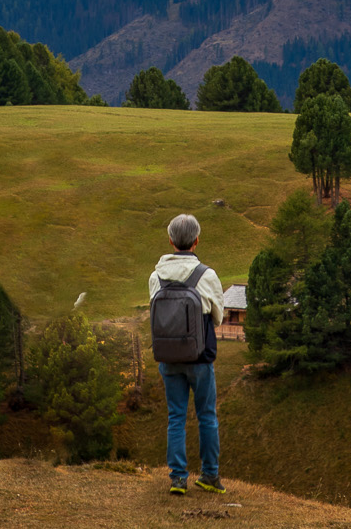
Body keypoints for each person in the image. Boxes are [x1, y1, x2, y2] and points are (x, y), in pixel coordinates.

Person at [149, 212, 225, 495]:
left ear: (171, 241)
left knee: (176, 417)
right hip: (200, 357)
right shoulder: (206, 275)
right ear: (196, 241)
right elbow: (218, 317)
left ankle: (178, 478)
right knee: (206, 416)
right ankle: (209, 476)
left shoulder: (155, 277)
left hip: (168, 357)